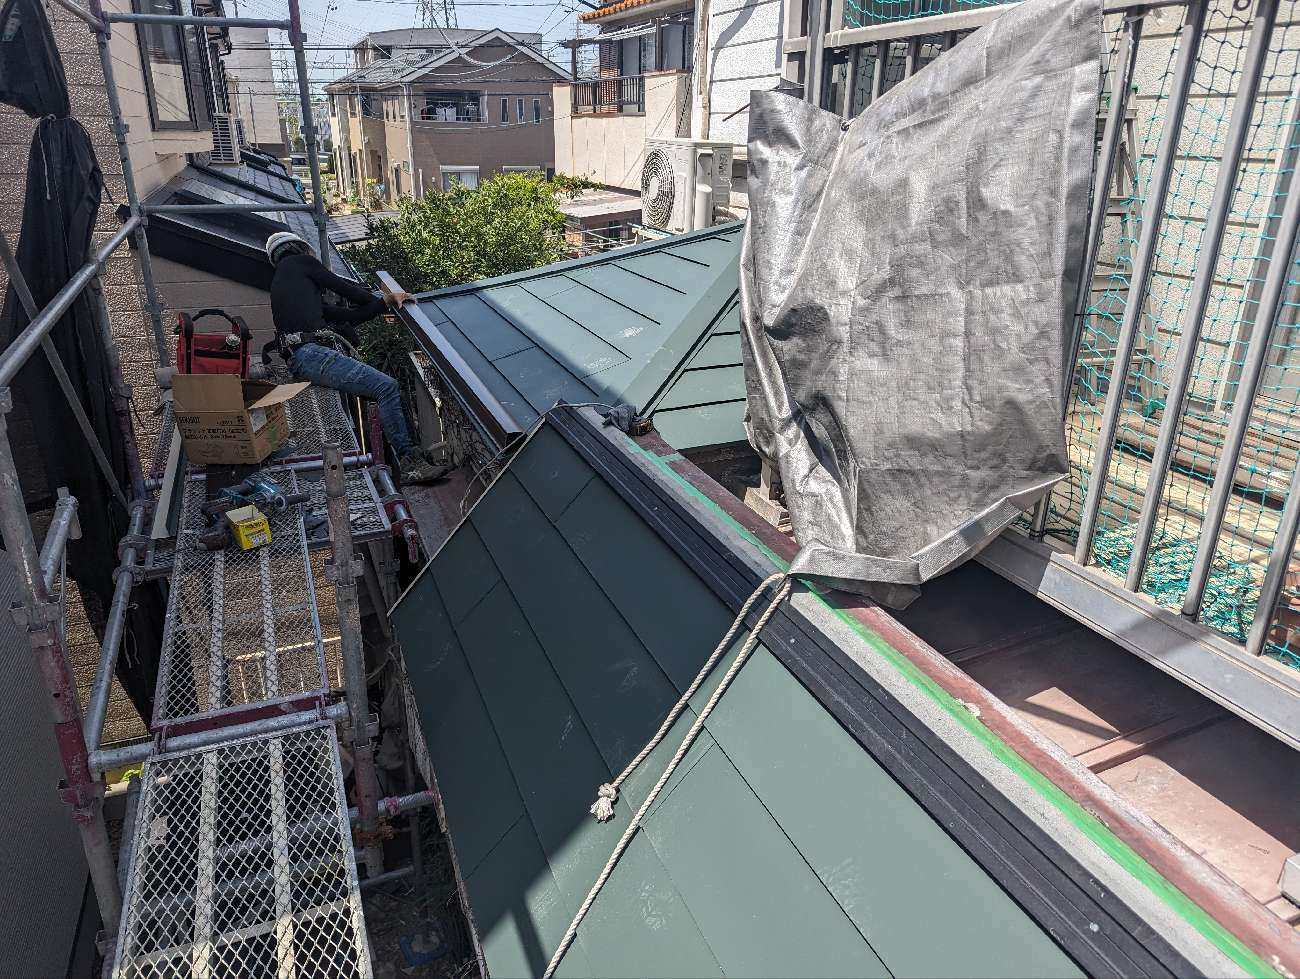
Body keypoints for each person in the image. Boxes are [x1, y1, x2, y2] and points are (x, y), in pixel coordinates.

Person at [265, 231, 446, 483]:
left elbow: (348, 316)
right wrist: (385, 298)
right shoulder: (299, 263)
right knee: (386, 387)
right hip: (310, 354)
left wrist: (382, 304)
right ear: (300, 249)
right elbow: (344, 288)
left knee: (391, 391)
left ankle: (415, 456)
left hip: (304, 357)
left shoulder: (293, 289)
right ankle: (409, 464)